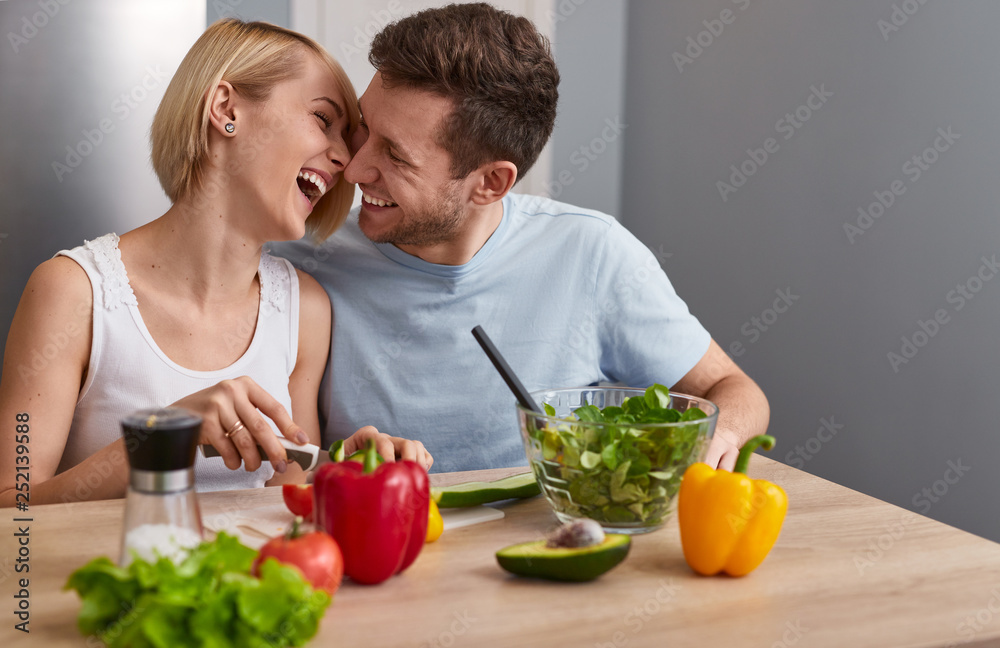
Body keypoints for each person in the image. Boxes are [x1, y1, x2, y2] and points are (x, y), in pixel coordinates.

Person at [271, 3, 769, 474]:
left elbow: (733, 388)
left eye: (396, 157)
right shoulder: (301, 264)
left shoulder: (592, 254)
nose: (354, 167)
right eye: (364, 127)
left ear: (490, 183)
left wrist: (714, 442)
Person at [0, 19, 431, 508]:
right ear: (226, 108)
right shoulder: (72, 291)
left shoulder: (304, 309)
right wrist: (162, 440)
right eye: (322, 120)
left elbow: (285, 499)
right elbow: (11, 514)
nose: (344, 161)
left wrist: (341, 474)